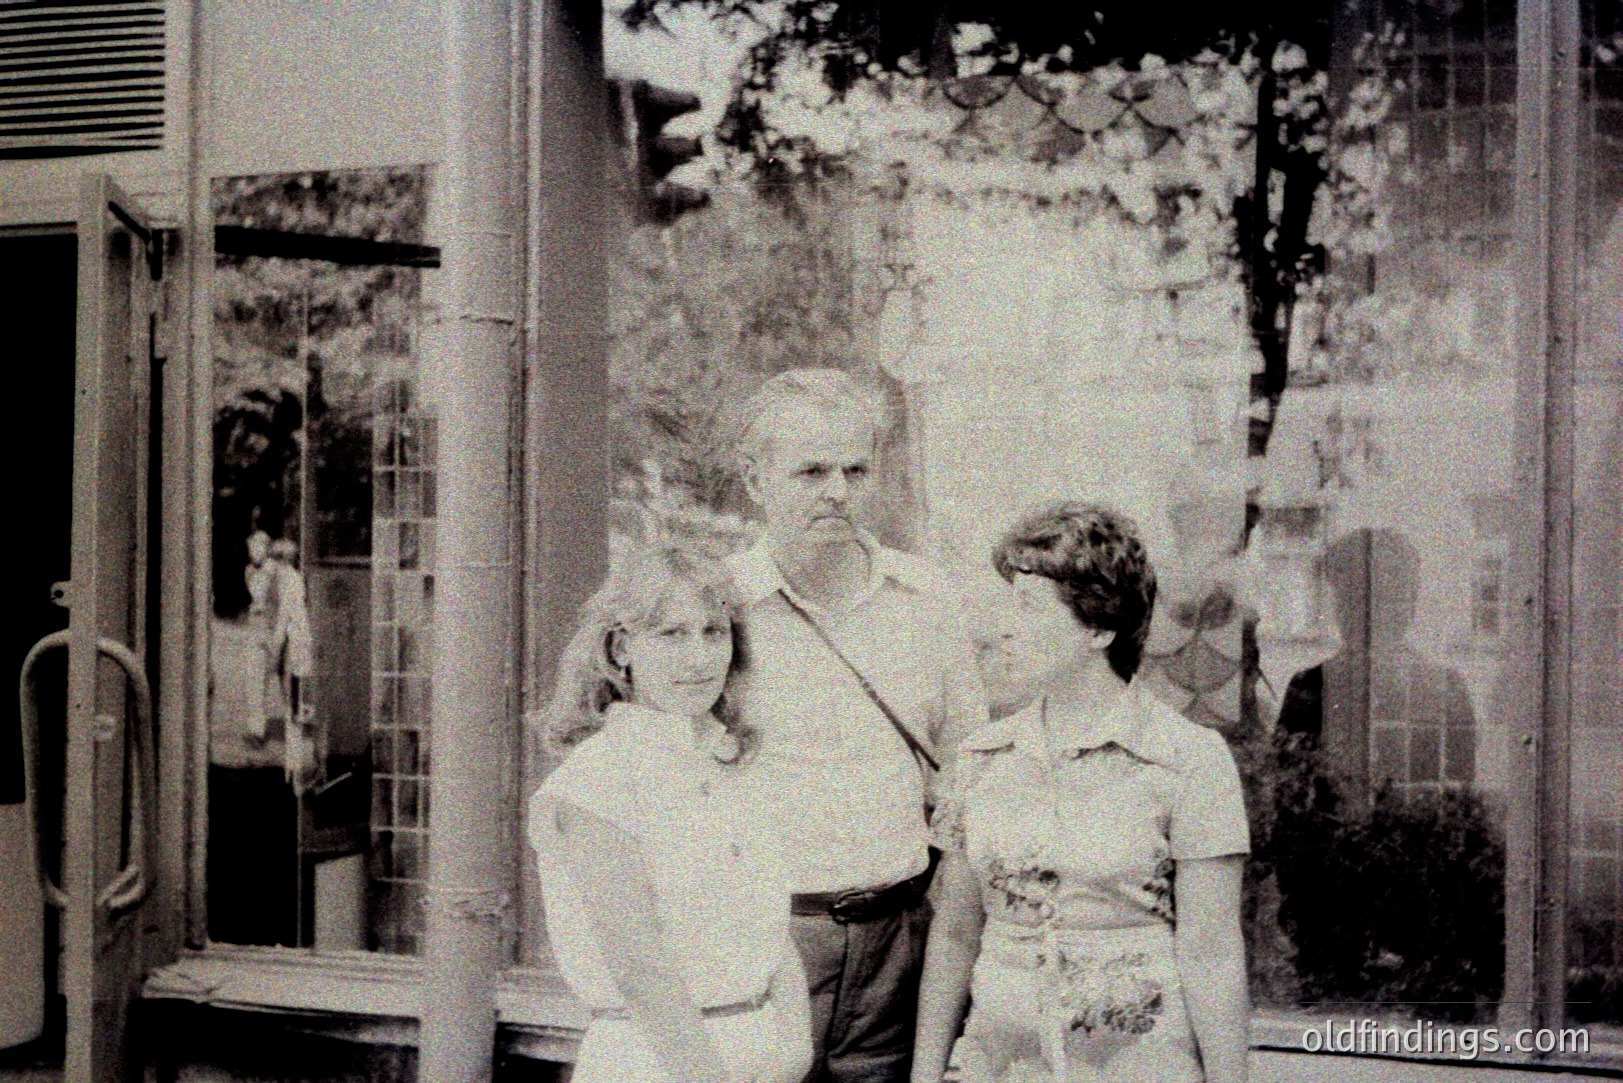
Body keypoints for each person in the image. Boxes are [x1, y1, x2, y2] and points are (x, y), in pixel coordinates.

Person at [912, 502, 1251, 1083]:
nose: (1003, 627)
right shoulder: (981, 759)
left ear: (1099, 626)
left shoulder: (1189, 762)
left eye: (1027, 606)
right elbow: (954, 934)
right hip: (1000, 1068)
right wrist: (925, 1075)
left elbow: (1213, 954)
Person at [725, 368, 988, 1082]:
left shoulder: (925, 597)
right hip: (759, 942)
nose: (837, 490)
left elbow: (971, 765)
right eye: (810, 470)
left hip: (899, 943)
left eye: (854, 468)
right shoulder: (717, 609)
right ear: (755, 478)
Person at [527, 546, 813, 1083]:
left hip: (763, 1053)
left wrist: (795, 1050)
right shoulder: (597, 782)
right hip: (658, 1060)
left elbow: (774, 933)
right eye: (671, 634)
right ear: (621, 649)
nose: (701, 658)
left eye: (714, 631)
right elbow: (641, 969)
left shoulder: (731, 764)